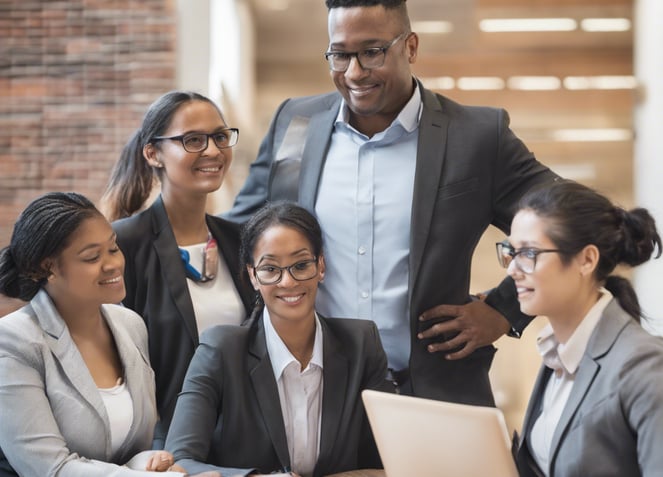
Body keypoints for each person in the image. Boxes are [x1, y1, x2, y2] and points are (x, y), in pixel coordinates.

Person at [224, 0, 560, 406]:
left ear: (411, 47)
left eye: (372, 52)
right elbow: (240, 231)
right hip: (311, 400)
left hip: (432, 395)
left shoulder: (476, 136)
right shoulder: (296, 123)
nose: (354, 72)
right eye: (340, 54)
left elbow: (568, 219)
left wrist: (505, 310)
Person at [165, 201, 392, 477]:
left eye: (301, 265)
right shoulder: (221, 349)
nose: (287, 282)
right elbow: (179, 460)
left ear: (321, 266)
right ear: (253, 276)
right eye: (271, 269)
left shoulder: (362, 344)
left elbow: (387, 460)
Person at [0, 192, 219, 477]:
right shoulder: (13, 343)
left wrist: (149, 462)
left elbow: (123, 454)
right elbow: (49, 469)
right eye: (92, 257)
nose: (113, 264)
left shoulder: (129, 325)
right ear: (48, 268)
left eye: (113, 249)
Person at [102, 91, 254, 446]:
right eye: (193, 140)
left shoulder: (242, 241)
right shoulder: (124, 245)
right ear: (153, 153)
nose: (214, 151)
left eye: (219, 136)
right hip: (163, 448)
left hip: (244, 441)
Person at [500, 181, 663, 476]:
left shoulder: (644, 365)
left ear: (586, 260)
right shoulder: (556, 354)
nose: (512, 268)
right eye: (511, 251)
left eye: (528, 253)